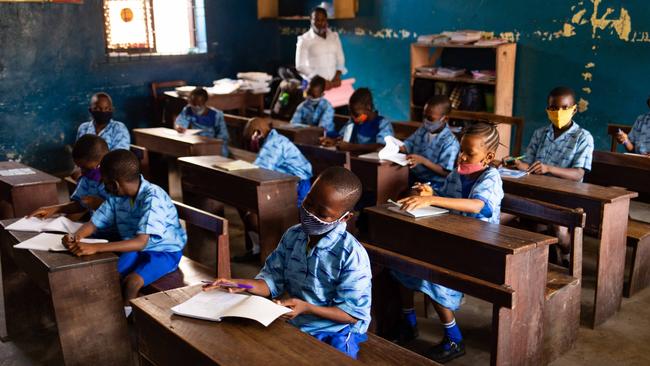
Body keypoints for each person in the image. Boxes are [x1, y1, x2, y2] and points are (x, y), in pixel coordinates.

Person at [204, 167, 371, 359]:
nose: (310, 214)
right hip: (295, 319)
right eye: (308, 203)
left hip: (336, 330)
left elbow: (352, 313)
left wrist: (308, 307)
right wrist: (241, 284)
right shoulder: (294, 236)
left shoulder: (351, 254)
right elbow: (272, 280)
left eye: (322, 214)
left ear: (346, 217)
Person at [393, 122, 503, 363]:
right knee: (400, 259)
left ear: (489, 156)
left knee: (429, 271)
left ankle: (454, 339)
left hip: (480, 247)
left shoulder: (491, 178)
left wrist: (434, 201)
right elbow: (443, 194)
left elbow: (479, 206)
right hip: (451, 238)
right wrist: (428, 193)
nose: (461, 157)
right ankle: (409, 322)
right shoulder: (457, 173)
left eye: (469, 153)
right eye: (461, 150)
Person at [62, 150, 187, 317]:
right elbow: (94, 223)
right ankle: (106, 313)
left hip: (163, 251)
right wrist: (75, 237)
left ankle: (127, 318)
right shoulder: (116, 196)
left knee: (132, 282)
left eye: (104, 183)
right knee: (111, 273)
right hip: (133, 246)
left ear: (115, 184)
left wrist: (96, 248)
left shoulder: (153, 198)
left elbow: (141, 242)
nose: (103, 187)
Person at [236, 118, 313, 261]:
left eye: (250, 139)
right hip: (279, 184)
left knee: (253, 214)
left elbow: (260, 169)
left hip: (297, 188)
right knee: (242, 203)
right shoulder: (269, 140)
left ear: (257, 133)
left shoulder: (275, 143)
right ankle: (257, 249)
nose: (251, 143)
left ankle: (275, 252)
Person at [504, 86, 594, 182]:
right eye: (554, 108)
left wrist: (548, 168)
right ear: (548, 110)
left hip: (566, 192)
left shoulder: (583, 137)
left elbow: (578, 174)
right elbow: (529, 166)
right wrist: (517, 163)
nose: (559, 112)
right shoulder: (540, 133)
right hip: (537, 186)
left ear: (574, 110)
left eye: (565, 108)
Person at [30, 135, 109, 219]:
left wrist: (100, 204)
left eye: (87, 168)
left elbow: (121, 211)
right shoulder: (87, 179)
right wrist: (54, 209)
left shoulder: (118, 180)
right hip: (97, 228)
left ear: (104, 161)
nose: (82, 172)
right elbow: (80, 205)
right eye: (80, 167)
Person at [400, 95, 460, 189]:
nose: (426, 121)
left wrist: (423, 161)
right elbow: (408, 144)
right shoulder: (423, 130)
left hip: (435, 184)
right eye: (424, 116)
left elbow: (446, 172)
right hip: (414, 177)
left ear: (445, 119)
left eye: (430, 118)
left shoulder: (450, 142)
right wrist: (396, 147)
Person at [320, 88, 394, 153]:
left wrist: (352, 147)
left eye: (355, 113)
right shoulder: (353, 122)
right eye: (351, 113)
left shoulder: (383, 123)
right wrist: (335, 142)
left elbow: (381, 146)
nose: (352, 116)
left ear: (368, 107)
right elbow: (343, 137)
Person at [295, 7, 347, 89]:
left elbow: (340, 59)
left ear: (326, 20)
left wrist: (337, 76)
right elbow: (300, 66)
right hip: (315, 87)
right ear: (311, 20)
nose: (320, 23)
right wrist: (320, 81)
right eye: (316, 20)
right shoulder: (304, 40)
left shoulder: (334, 36)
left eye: (323, 20)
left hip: (333, 85)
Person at [175, 87, 230, 156]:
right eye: (193, 104)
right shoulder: (188, 110)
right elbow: (181, 121)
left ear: (205, 102)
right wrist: (179, 127)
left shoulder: (216, 115)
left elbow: (223, 136)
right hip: (194, 141)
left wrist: (214, 143)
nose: (196, 107)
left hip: (212, 143)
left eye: (199, 104)